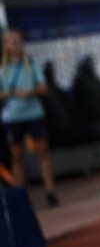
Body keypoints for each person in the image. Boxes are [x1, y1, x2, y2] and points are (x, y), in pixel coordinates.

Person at [0, 29, 59, 207]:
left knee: (43, 152)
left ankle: (50, 192)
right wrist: (14, 92)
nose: (16, 45)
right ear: (6, 45)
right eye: (12, 42)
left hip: (34, 113)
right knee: (17, 156)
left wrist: (31, 91)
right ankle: (21, 197)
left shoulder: (31, 64)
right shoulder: (2, 69)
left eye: (18, 41)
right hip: (14, 117)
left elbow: (43, 87)